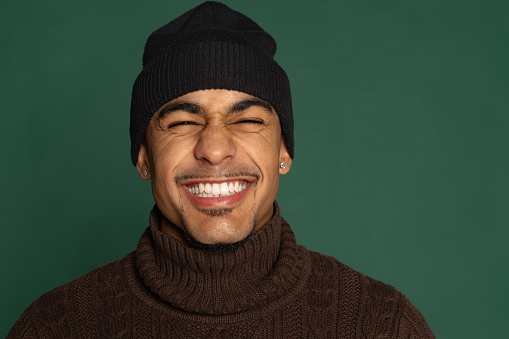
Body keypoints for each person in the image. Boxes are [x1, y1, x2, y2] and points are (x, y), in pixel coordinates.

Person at [8, 2, 434, 338]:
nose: (214, 148)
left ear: (284, 150)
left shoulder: (381, 325)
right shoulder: (54, 327)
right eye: (181, 121)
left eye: (247, 120)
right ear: (143, 158)